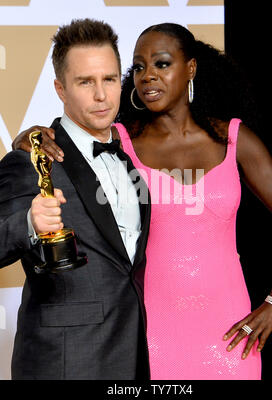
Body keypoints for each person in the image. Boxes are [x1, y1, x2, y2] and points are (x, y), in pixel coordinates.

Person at [13, 23, 272, 380]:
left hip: (229, 330)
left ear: (190, 68)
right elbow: (69, 140)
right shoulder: (118, 140)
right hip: (151, 333)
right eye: (139, 67)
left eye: (161, 64)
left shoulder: (234, 139)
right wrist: (32, 136)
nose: (148, 76)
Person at [0, 19, 151, 380]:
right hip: (65, 363)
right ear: (60, 88)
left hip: (134, 360)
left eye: (109, 79)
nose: (101, 95)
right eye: (85, 82)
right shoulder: (30, 161)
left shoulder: (132, 156)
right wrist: (28, 225)